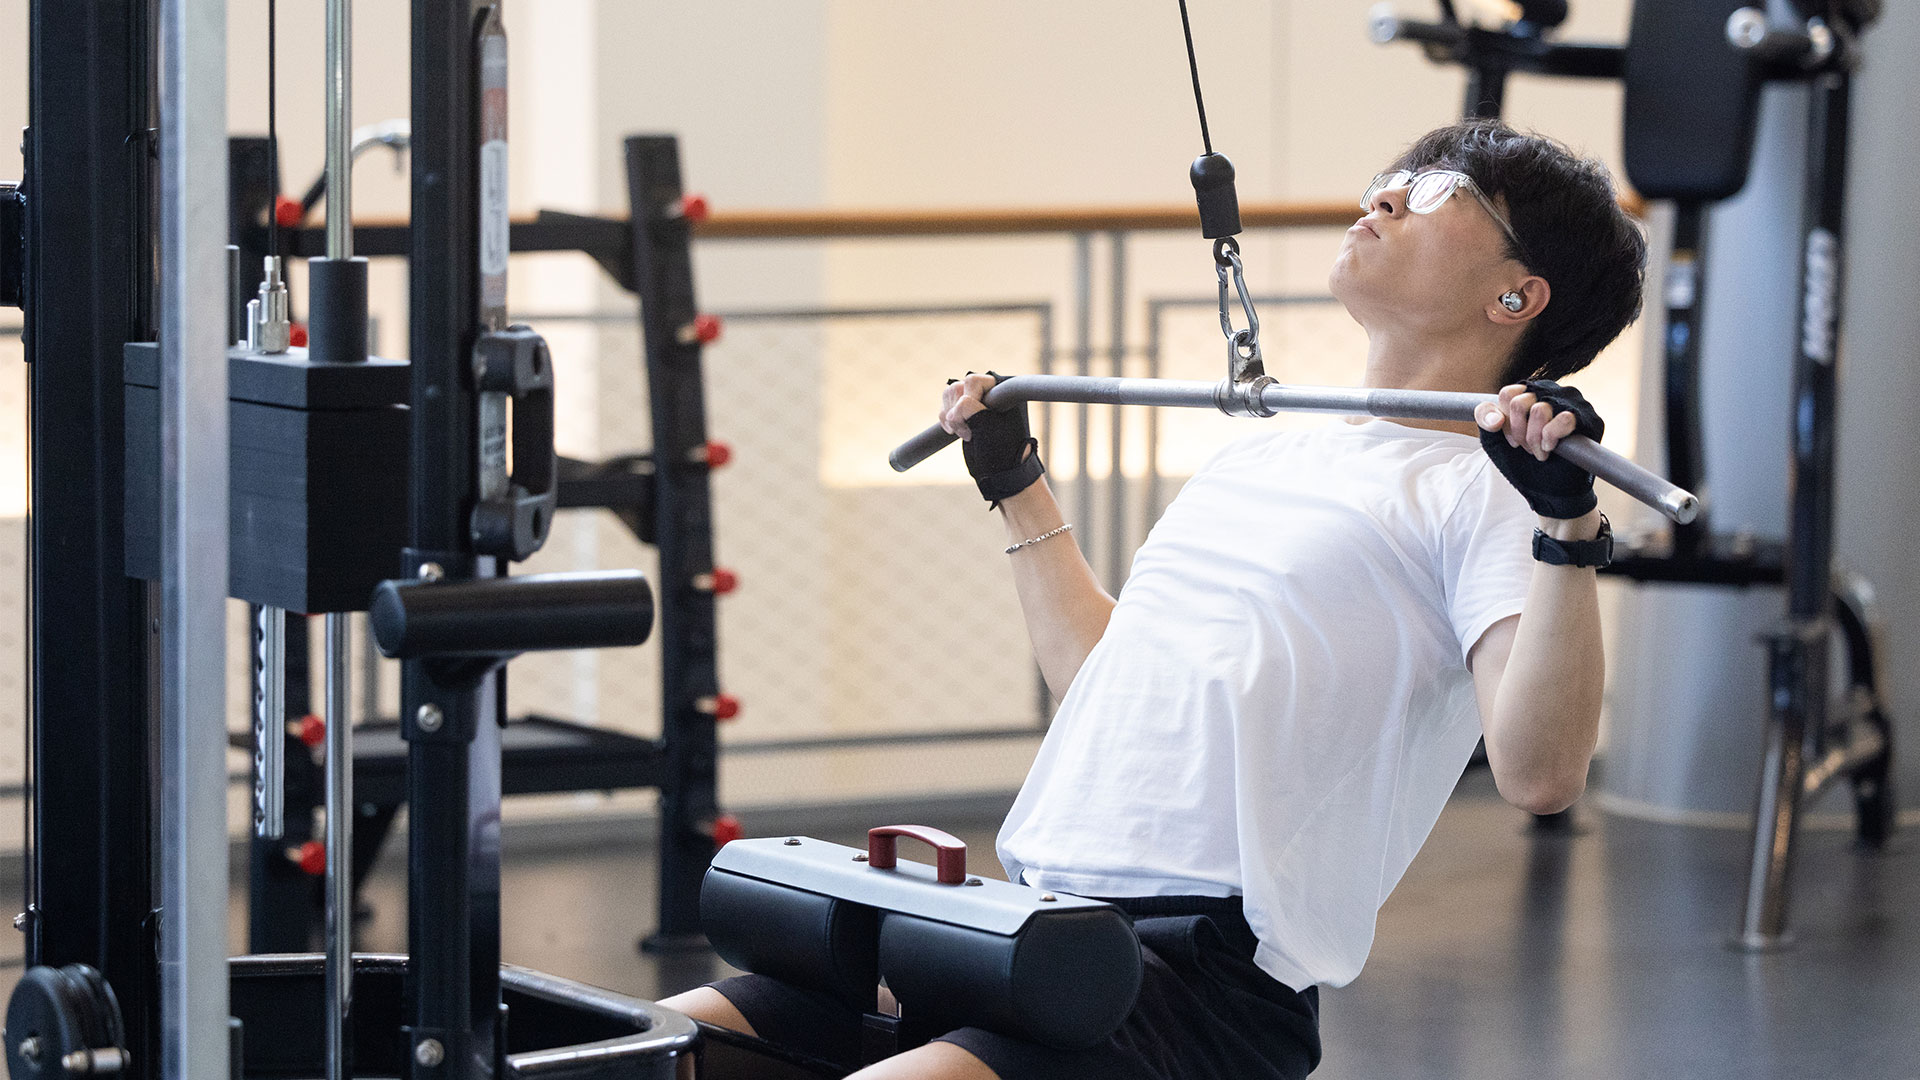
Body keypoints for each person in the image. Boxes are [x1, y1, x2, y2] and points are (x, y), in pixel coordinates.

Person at [663, 117, 1648, 1080]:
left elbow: (1541, 773)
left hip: (1192, 984)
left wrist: (1564, 530)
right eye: (1394, 177)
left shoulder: (1478, 489)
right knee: (641, 1043)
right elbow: (1100, 682)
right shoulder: (1265, 452)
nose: (1386, 195)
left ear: (1516, 296)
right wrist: (1016, 486)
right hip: (1026, 932)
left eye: (1441, 193)